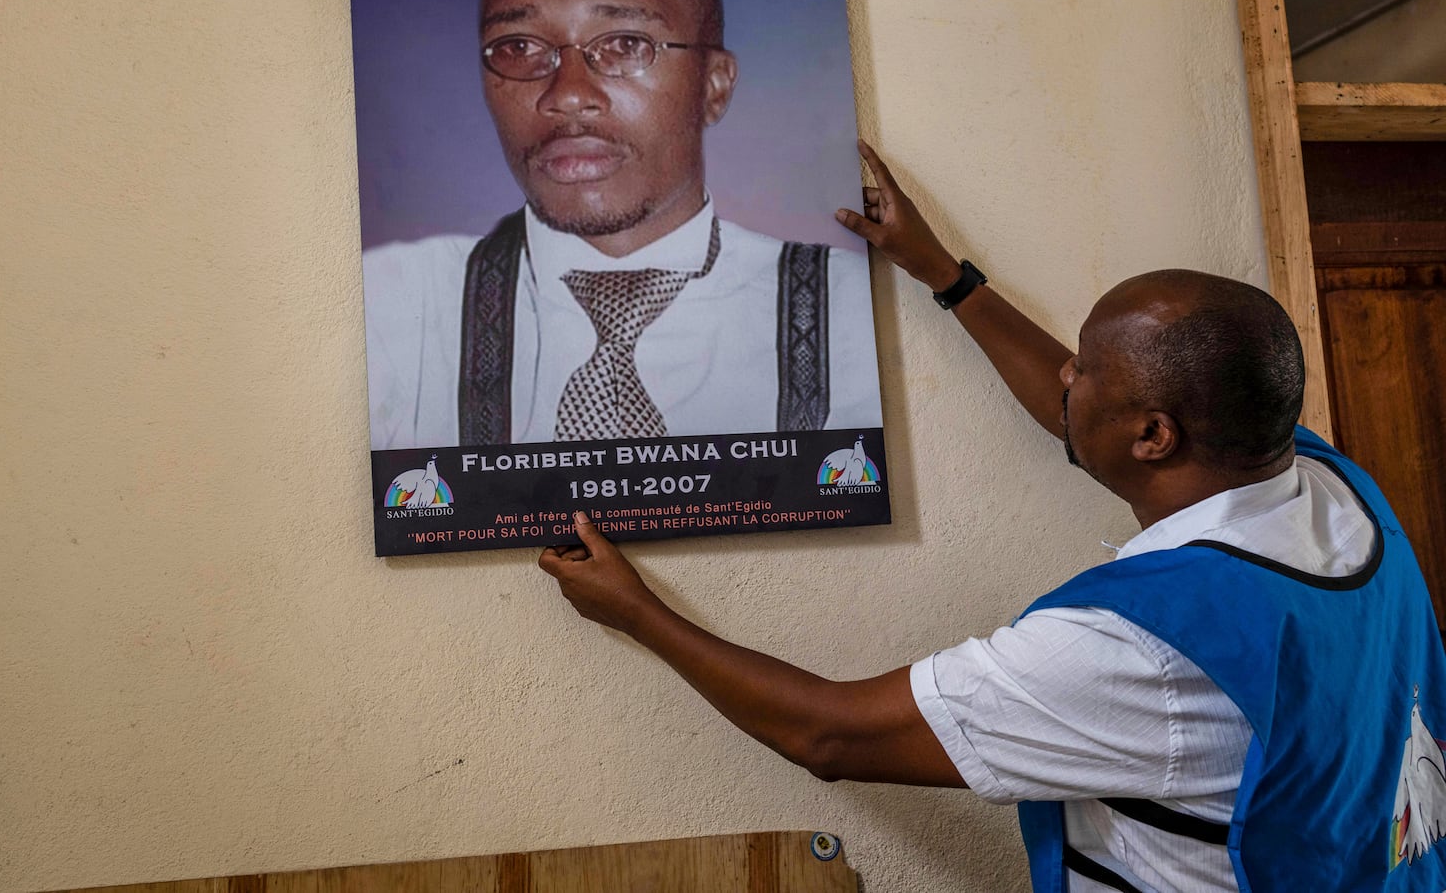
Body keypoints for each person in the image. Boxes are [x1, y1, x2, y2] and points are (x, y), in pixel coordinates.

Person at [539, 140, 1446, 892]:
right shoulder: (1326, 484)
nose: (1065, 375)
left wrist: (638, 612)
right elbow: (1089, 416)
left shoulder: (1138, 651)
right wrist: (944, 273)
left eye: (1085, 367)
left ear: (1156, 435)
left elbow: (829, 732)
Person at [363, 0, 881, 450]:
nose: (567, 95)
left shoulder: (847, 311)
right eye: (518, 47)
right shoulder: (392, 310)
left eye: (626, 44)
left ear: (714, 86)